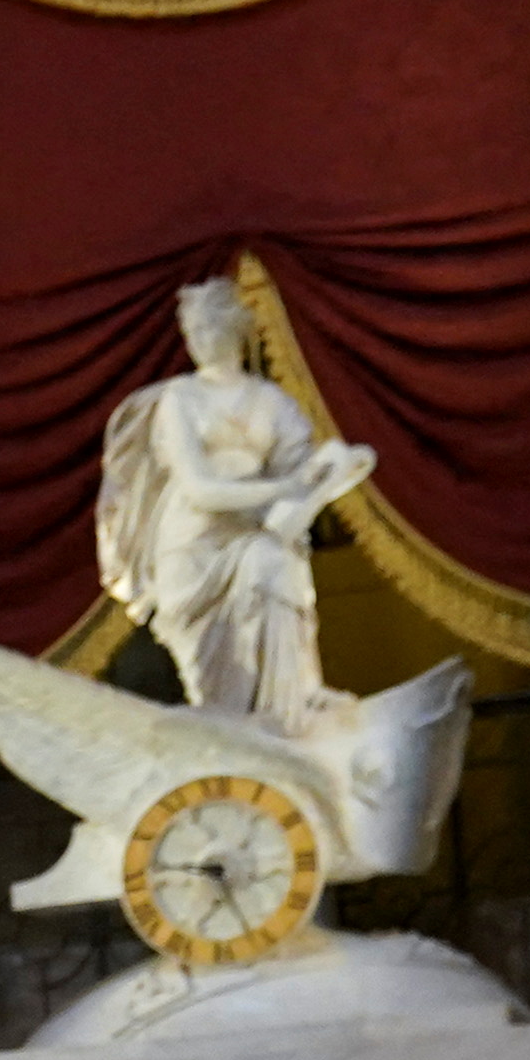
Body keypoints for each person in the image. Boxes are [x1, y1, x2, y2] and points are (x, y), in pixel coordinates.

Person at [95, 273, 377, 732]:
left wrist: (338, 470)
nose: (203, 337)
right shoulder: (179, 399)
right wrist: (286, 488)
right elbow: (203, 489)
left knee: (274, 565)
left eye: (212, 324)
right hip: (194, 544)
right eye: (195, 328)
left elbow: (303, 474)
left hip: (257, 532)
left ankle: (293, 702)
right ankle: (233, 723)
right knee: (217, 691)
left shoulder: (272, 402)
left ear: (237, 329)